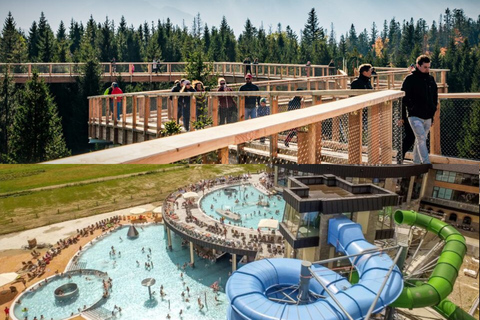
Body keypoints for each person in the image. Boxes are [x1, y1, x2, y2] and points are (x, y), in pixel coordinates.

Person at [401, 54, 438, 164]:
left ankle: (416, 163)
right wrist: (411, 107)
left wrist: (432, 112)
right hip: (415, 115)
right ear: (418, 65)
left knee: (420, 139)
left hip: (427, 116)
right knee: (421, 138)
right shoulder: (410, 79)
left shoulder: (431, 79)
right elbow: (403, 96)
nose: (427, 69)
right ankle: (426, 162)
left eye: (429, 67)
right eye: (425, 67)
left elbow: (434, 97)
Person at [397, 65, 416, 164]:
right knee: (410, 137)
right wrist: (401, 116)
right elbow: (402, 99)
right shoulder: (409, 80)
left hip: (420, 114)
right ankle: (400, 156)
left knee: (415, 137)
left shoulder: (427, 79)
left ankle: (401, 156)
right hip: (409, 114)